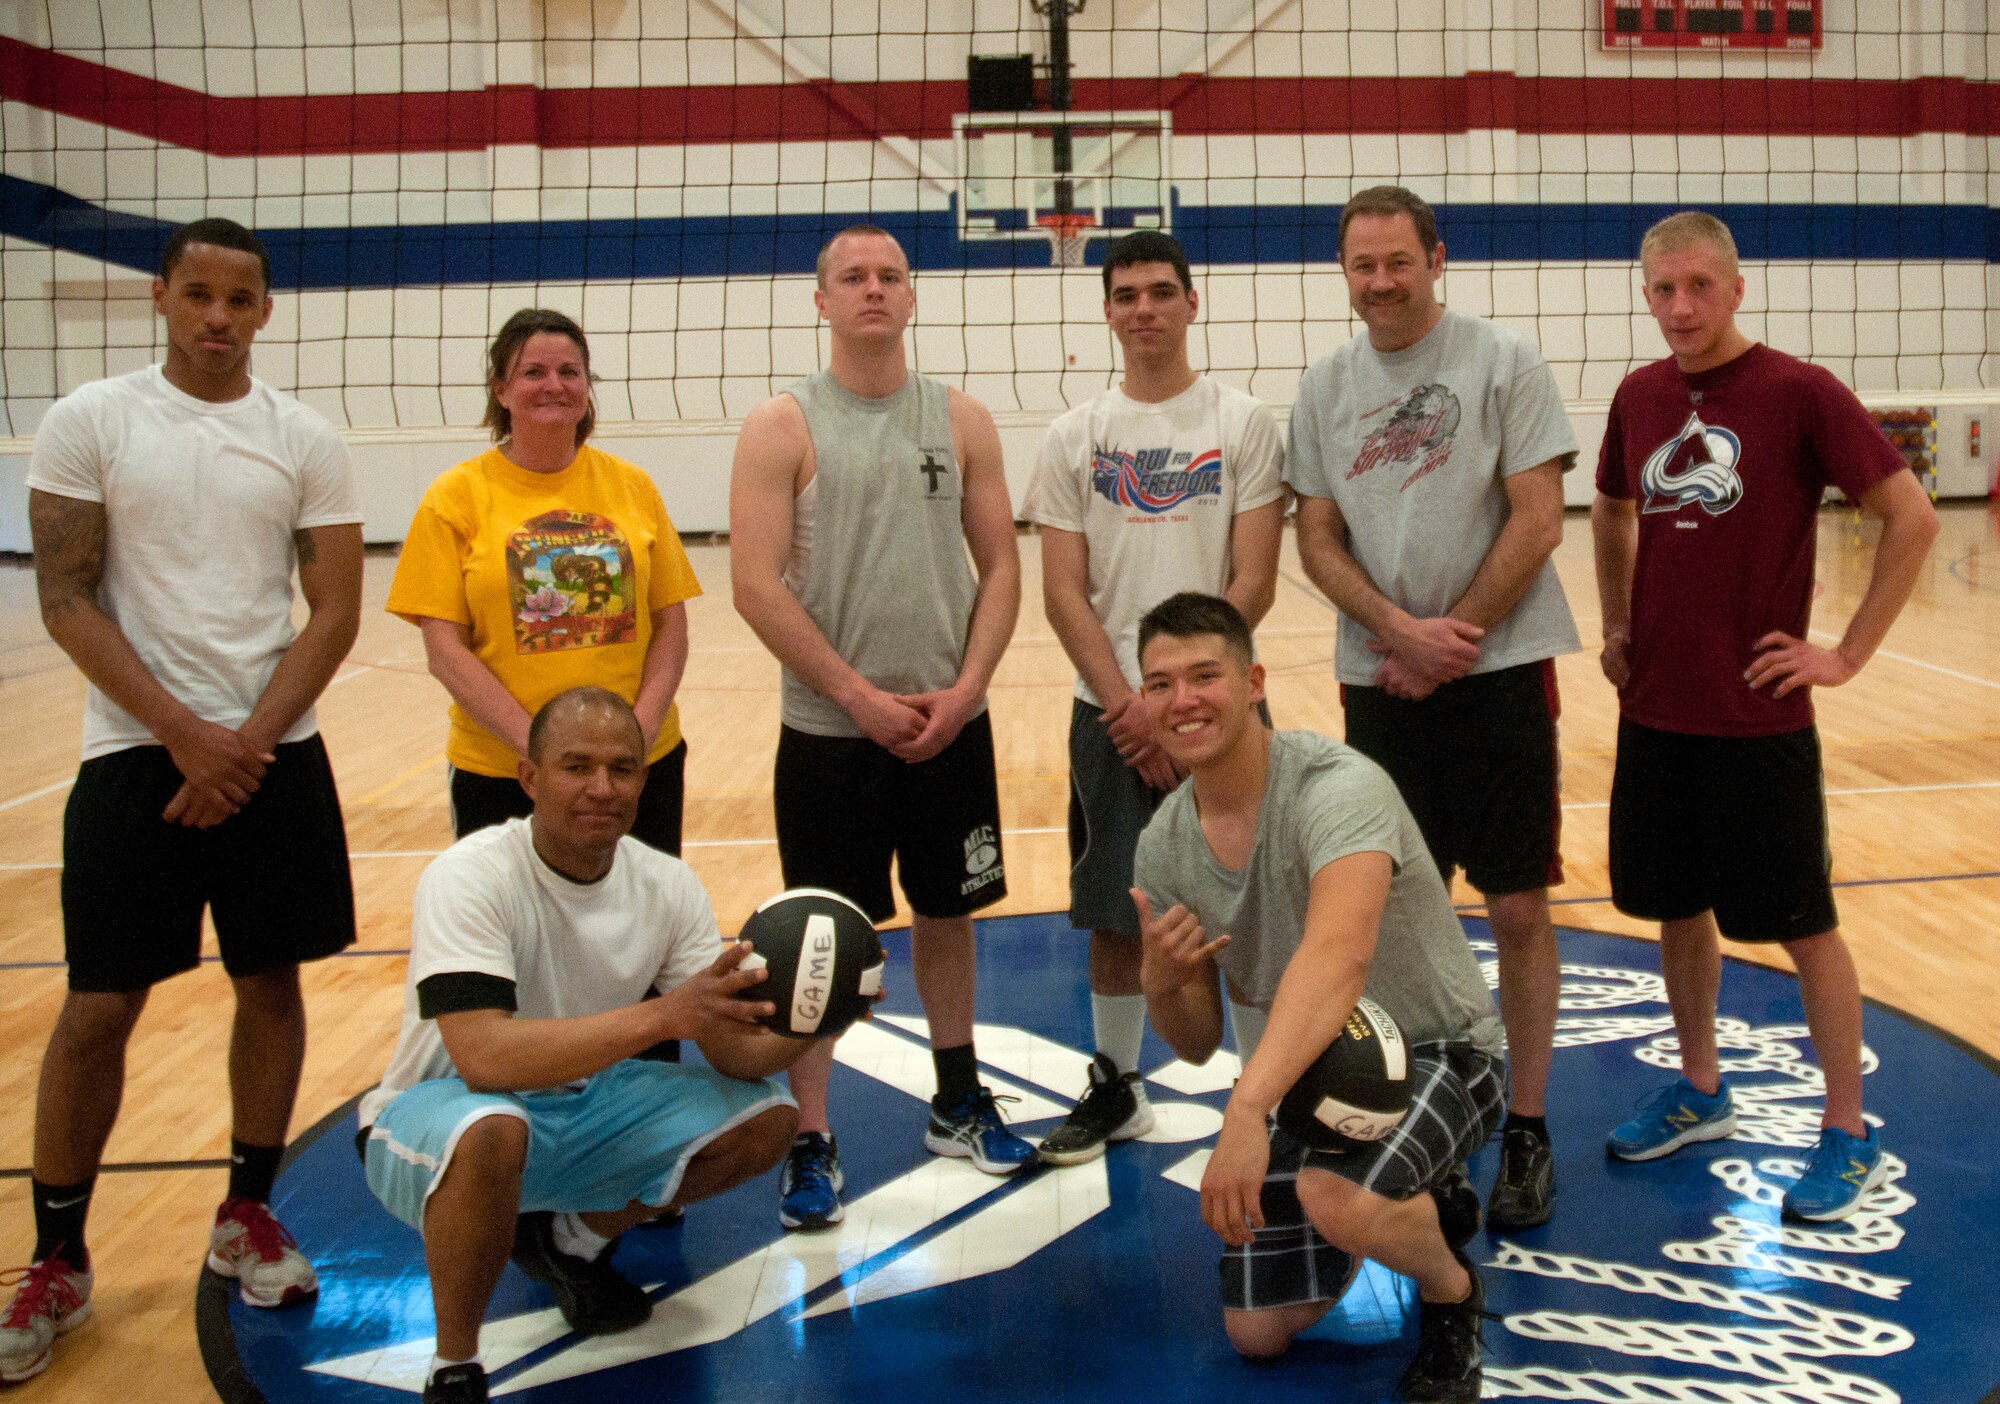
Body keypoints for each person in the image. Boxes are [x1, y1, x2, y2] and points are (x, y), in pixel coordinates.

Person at [3, 218, 363, 1383]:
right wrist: (182, 735)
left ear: (266, 310)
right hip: (133, 754)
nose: (217, 315)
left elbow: (338, 610)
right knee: (100, 1008)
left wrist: (244, 745)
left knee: (272, 985)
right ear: (162, 297)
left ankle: (246, 1213)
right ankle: (58, 1256)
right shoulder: (90, 421)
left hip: (271, 755)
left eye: (240, 298)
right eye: (197, 294)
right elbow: (64, 596)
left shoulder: (303, 436)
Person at [1592, 211, 1939, 1222]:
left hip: (1758, 720)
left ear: (1735, 289)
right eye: (1661, 289)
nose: (1679, 307)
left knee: (1804, 928)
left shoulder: (1797, 392)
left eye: (1698, 285)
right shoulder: (1638, 395)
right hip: (1656, 711)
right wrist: (1616, 622)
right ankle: (1699, 1091)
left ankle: (1846, 1129)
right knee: (1675, 908)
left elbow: (1910, 517)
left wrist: (1842, 654)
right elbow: (1611, 508)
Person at [356, 688, 813, 1404]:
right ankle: (455, 1367)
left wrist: (814, 1021)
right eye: (577, 766)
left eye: (622, 769)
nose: (602, 788)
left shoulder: (667, 883)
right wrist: (664, 1018)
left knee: (769, 1120)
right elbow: (483, 1058)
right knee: (493, 1126)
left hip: (576, 1106)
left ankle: (570, 1238)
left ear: (643, 780)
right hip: (438, 1117)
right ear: (529, 779)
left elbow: (730, 1052)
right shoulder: (469, 875)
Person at [1285, 185, 1578, 1230]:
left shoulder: (1503, 362)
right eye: (1360, 266)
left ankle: (1530, 1129)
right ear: (1343, 273)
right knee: (1398, 917)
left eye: (1395, 262)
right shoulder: (1322, 388)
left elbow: (1539, 520)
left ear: (1434, 259)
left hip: (1496, 674)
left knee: (1515, 905)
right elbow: (1314, 538)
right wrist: (1398, 634)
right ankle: (1429, 1123)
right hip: (1381, 681)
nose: (1378, 283)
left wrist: (1446, 640)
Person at [729, 224, 1030, 1232]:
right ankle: (809, 1135)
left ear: (912, 297)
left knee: (948, 915)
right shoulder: (781, 425)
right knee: (820, 938)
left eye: (887, 276)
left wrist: (969, 685)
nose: (870, 290)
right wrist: (855, 697)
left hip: (948, 724)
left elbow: (1001, 567)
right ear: (820, 301)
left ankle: (956, 1097)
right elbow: (753, 586)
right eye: (850, 277)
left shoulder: (961, 417)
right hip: (828, 734)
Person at [1131, 593, 1503, 1404]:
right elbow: (1193, 1041)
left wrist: (1243, 1111)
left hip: (1439, 1049)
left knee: (1337, 1193)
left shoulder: (1339, 787)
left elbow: (1339, 957)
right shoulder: (1163, 844)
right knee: (1256, 1333)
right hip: (1306, 1076)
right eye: (1160, 684)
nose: (1183, 700)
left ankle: (1449, 1290)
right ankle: (1418, 1197)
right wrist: (1163, 981)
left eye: (1205, 675)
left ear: (1255, 680)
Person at [1021, 230, 1285, 1164]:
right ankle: (1116, 1085)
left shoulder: (1246, 422)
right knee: (1112, 906)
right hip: (1112, 714)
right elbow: (1063, 591)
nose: (1144, 309)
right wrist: (1130, 705)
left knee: (1254, 903)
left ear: (1190, 302)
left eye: (1160, 291)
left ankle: (1266, 1096)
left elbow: (1253, 578)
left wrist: (1186, 695)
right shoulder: (1073, 436)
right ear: (1107, 311)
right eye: (1125, 293)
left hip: (1221, 710)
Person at [388, 308, 699, 855]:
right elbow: (445, 651)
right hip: (506, 769)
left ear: (587, 387)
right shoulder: (453, 497)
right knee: (512, 939)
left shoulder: (633, 486)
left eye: (570, 371)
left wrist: (636, 739)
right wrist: (543, 754)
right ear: (501, 390)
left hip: (635, 765)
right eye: (534, 372)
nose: (554, 385)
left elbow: (671, 623)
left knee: (638, 933)